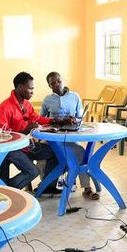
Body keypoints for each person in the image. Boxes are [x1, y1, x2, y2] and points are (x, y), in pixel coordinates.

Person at [0, 72, 73, 192]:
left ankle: (48, 186)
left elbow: (37, 118)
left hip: (25, 145)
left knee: (55, 152)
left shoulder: (26, 104)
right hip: (10, 149)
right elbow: (1, 136)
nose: (32, 92)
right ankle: (6, 191)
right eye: (30, 89)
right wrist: (25, 130)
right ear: (20, 88)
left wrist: (57, 121)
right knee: (33, 171)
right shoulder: (5, 108)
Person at [41, 72, 99, 200]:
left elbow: (80, 117)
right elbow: (41, 120)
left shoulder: (74, 96)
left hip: (69, 136)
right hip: (52, 138)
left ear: (62, 80)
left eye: (58, 81)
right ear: (49, 85)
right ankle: (45, 186)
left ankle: (87, 188)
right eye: (53, 83)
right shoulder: (47, 100)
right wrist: (53, 123)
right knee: (42, 156)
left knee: (81, 153)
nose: (56, 84)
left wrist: (75, 120)